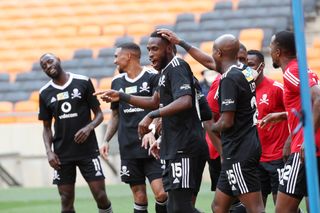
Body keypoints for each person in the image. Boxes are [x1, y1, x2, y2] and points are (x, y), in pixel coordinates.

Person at [96, 31, 207, 213]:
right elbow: (154, 101)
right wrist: (122, 96)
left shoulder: (177, 66)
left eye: (155, 49)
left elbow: (185, 101)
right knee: (173, 207)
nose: (150, 54)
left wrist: (151, 116)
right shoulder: (164, 72)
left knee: (179, 207)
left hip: (184, 146)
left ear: (169, 48)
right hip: (171, 146)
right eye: (148, 49)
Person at [38, 53, 113, 213]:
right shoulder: (44, 92)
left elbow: (99, 115)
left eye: (50, 61)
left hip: (87, 151)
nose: (48, 66)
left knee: (100, 196)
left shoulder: (83, 82)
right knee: (66, 200)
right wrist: (49, 152)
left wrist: (88, 127)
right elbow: (46, 127)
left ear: (58, 59)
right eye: (43, 66)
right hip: (62, 155)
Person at [99, 42, 168, 213]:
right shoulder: (116, 82)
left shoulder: (153, 77)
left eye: (117, 56)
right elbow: (115, 115)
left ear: (128, 56)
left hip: (152, 146)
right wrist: (106, 139)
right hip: (128, 147)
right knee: (139, 196)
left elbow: (160, 108)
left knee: (161, 193)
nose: (115, 61)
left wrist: (152, 130)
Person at [261, 31, 320, 213]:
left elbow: (318, 98)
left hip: (304, 150)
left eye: (271, 48)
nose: (270, 52)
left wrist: (306, 139)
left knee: (283, 210)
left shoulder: (293, 71)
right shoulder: (302, 69)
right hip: (311, 148)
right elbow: (307, 107)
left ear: (278, 52)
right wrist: (283, 116)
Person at [247, 50, 290, 207]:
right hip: (255, 158)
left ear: (261, 66)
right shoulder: (244, 91)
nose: (247, 69)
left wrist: (289, 140)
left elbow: (295, 113)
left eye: (250, 65)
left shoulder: (276, 88)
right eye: (244, 65)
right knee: (256, 206)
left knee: (282, 207)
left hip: (277, 156)